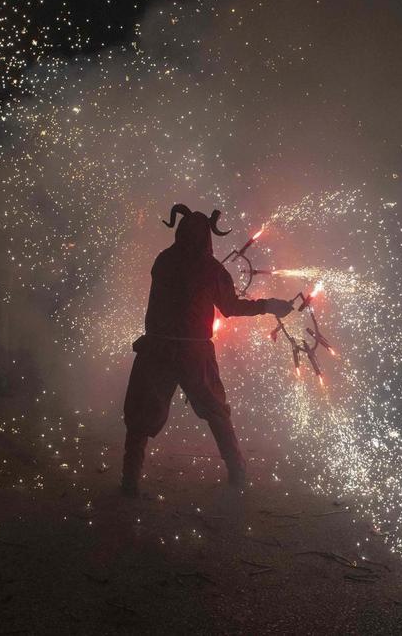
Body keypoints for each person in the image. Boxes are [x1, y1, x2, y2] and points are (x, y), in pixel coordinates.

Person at [120, 204, 293, 496]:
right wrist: (268, 305)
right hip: (193, 354)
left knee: (140, 415)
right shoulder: (211, 269)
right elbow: (230, 307)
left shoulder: (163, 260)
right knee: (215, 411)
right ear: (206, 238)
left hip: (157, 349)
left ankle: (129, 480)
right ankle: (237, 472)